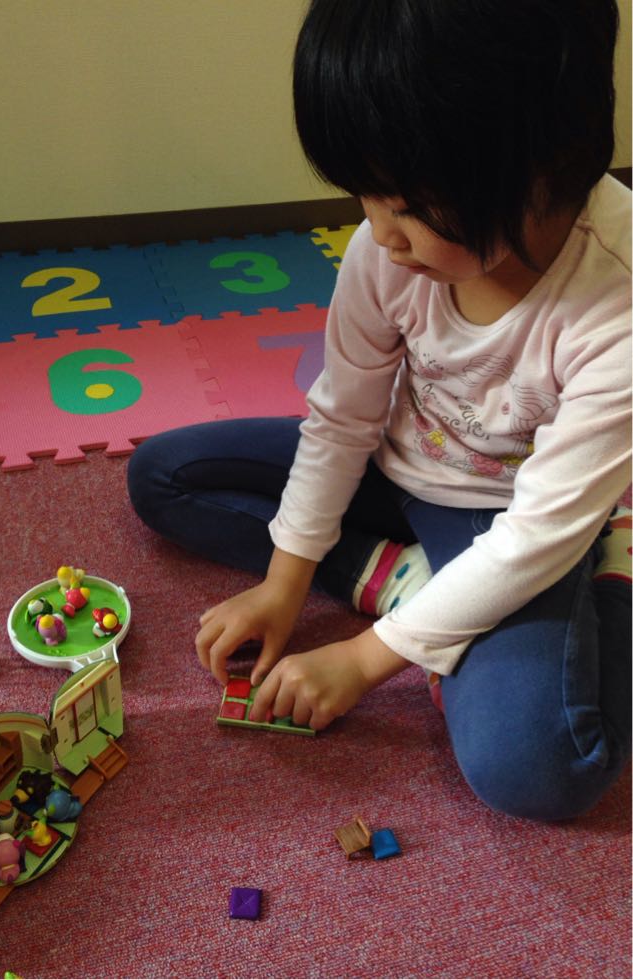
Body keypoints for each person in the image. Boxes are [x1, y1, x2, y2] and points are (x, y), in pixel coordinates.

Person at [128, 0, 632, 820]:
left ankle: (612, 572)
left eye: (406, 205)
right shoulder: (384, 251)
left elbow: (534, 538)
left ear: (540, 168)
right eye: (367, 194)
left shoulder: (617, 306)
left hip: (510, 519)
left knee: (542, 770)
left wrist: (363, 659)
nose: (378, 233)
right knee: (162, 476)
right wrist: (284, 583)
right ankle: (404, 581)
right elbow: (341, 419)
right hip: (397, 467)